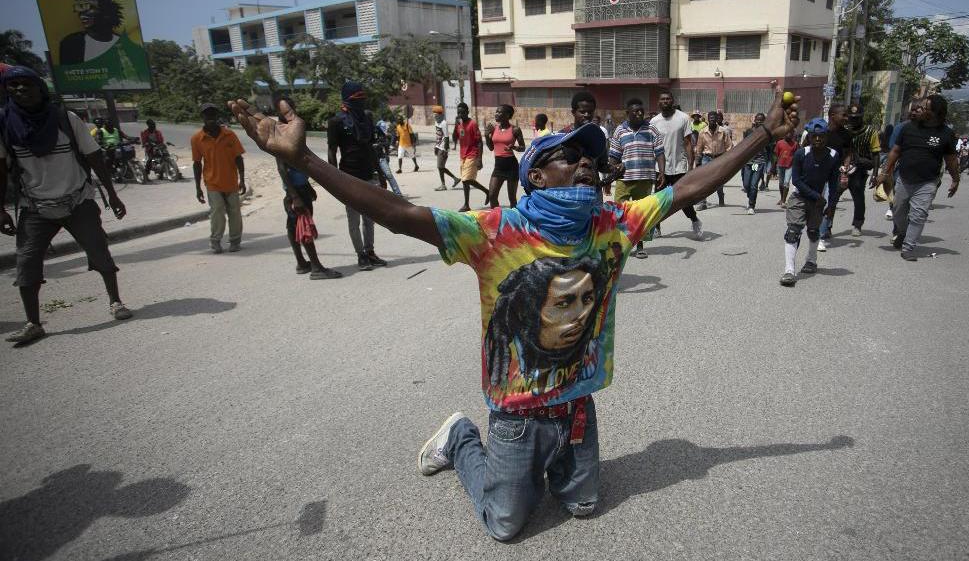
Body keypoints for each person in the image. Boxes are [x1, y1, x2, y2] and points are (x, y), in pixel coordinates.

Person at [224, 80, 797, 543]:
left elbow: (692, 186)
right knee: (504, 525)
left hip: (576, 408)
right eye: (569, 158)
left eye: (592, 159)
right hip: (517, 416)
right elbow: (399, 214)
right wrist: (307, 161)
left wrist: (764, 134)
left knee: (585, 506)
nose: (587, 165)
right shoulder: (496, 232)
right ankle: (460, 439)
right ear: (535, 178)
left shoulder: (613, 224)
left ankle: (557, 471)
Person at [0, 66, 132, 343]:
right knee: (26, 262)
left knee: (99, 251)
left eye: (27, 84)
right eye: (13, 86)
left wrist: (112, 194)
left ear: (40, 89)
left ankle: (115, 301)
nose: (20, 90)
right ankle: (33, 322)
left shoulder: (65, 119)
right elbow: (2, 169)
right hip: (35, 207)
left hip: (77, 200)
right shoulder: (5, 124)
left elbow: (95, 159)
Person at [873, 95, 960, 261]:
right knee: (897, 212)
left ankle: (908, 247)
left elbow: (951, 160)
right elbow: (895, 152)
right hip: (904, 178)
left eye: (926, 108)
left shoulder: (946, 134)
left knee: (918, 215)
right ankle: (904, 233)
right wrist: (884, 173)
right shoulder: (909, 128)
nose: (921, 110)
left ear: (936, 113)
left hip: (927, 182)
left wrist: (955, 179)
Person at [327, 82, 387, 270]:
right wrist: (334, 180)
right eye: (356, 100)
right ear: (346, 100)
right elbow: (332, 152)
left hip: (368, 175)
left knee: (370, 219)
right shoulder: (336, 122)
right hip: (348, 178)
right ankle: (360, 255)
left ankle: (370, 252)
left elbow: (370, 148)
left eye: (362, 99)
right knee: (354, 220)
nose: (361, 103)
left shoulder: (367, 118)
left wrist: (381, 173)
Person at [780, 118, 838, 286]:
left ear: (826, 136)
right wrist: (816, 196)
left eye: (821, 136)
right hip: (799, 197)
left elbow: (833, 184)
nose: (818, 139)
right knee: (793, 231)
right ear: (809, 137)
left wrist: (831, 207)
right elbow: (796, 180)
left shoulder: (833, 156)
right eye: (814, 136)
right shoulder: (801, 154)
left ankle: (811, 260)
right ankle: (789, 270)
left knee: (813, 231)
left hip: (818, 202)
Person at [608, 98, 666, 258]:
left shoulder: (652, 130)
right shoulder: (619, 131)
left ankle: (639, 246)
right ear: (627, 113)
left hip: (645, 179)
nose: (640, 113)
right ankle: (619, 245)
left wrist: (661, 172)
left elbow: (660, 152)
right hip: (624, 180)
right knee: (619, 213)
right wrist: (608, 177)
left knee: (640, 214)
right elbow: (613, 156)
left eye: (642, 110)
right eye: (636, 111)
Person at [277, 154, 342, 281]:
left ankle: (301, 263)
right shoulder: (282, 138)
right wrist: (295, 196)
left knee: (293, 225)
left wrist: (307, 186)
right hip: (296, 192)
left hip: (299, 189)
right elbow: (282, 169)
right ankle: (316, 268)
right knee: (304, 226)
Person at [192, 103, 245, 254]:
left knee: (234, 212)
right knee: (217, 212)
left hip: (231, 180)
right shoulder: (197, 139)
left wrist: (242, 179)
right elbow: (196, 163)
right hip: (212, 182)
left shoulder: (229, 135)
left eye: (213, 114)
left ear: (217, 116)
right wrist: (198, 188)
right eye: (207, 115)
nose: (210, 118)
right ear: (202, 117)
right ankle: (215, 241)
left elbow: (238, 158)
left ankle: (235, 241)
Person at [650, 89, 702, 239]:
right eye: (662, 99)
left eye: (668, 99)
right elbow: (652, 145)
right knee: (658, 200)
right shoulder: (654, 121)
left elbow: (687, 143)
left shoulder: (683, 118)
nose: (665, 101)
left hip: (679, 166)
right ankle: (656, 227)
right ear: (659, 102)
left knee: (682, 200)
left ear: (672, 101)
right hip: (660, 169)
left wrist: (690, 165)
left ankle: (694, 220)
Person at [816, 103, 851, 251]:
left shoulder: (846, 134)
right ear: (832, 116)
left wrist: (845, 168)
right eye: (843, 115)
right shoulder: (821, 131)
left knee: (830, 203)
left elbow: (848, 153)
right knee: (816, 202)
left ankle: (821, 236)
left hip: (835, 174)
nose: (846, 118)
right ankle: (817, 227)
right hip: (817, 172)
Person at [842, 105, 881, 236]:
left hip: (859, 170)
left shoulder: (870, 132)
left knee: (858, 198)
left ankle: (857, 224)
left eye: (857, 118)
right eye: (852, 118)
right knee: (833, 196)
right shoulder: (844, 129)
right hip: (843, 169)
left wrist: (875, 173)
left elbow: (876, 153)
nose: (854, 121)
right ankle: (827, 225)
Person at [484, 104, 526, 208]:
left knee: (512, 199)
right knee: (492, 195)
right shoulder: (494, 129)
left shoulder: (515, 129)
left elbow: (523, 147)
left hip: (511, 166)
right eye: (496, 112)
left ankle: (515, 221)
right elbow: (491, 148)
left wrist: (514, 147)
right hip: (498, 166)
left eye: (499, 112)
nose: (496, 114)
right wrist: (486, 136)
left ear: (507, 115)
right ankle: (498, 219)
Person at [453, 102, 490, 212]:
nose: (460, 114)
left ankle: (466, 204)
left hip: (472, 154)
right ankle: (486, 191)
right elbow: (454, 138)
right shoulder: (459, 124)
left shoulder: (473, 124)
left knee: (466, 179)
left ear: (467, 112)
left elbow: (479, 142)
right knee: (467, 180)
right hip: (463, 156)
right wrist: (456, 125)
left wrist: (480, 159)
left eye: (463, 112)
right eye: (459, 112)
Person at [694, 110, 732, 210]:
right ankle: (703, 202)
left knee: (719, 181)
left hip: (720, 158)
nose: (712, 120)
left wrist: (727, 160)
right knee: (704, 181)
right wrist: (697, 160)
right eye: (710, 118)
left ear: (716, 119)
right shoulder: (703, 132)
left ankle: (721, 197)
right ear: (708, 119)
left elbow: (728, 146)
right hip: (707, 158)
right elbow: (699, 147)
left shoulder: (723, 131)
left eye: (714, 118)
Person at [740, 112, 772, 214]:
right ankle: (751, 197)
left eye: (761, 120)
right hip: (748, 162)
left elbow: (769, 148)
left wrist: (771, 164)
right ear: (755, 120)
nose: (759, 122)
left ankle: (751, 205)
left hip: (757, 163)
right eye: (758, 120)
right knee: (746, 184)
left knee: (753, 185)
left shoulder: (766, 134)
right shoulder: (749, 132)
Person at [432, 105, 459, 191]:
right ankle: (455, 179)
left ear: (440, 115)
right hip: (439, 147)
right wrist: (436, 146)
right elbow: (438, 136)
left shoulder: (444, 123)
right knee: (441, 167)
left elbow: (446, 137)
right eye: (434, 115)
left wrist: (446, 150)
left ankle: (444, 185)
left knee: (440, 167)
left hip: (443, 148)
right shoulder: (436, 122)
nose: (435, 117)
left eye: (436, 115)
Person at [774, 128, 798, 207]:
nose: (789, 135)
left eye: (791, 133)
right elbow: (776, 155)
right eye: (787, 133)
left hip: (790, 166)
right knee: (781, 183)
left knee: (786, 182)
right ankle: (781, 198)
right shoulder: (779, 143)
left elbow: (797, 155)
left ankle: (784, 201)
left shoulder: (795, 144)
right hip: (780, 165)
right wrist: (773, 166)